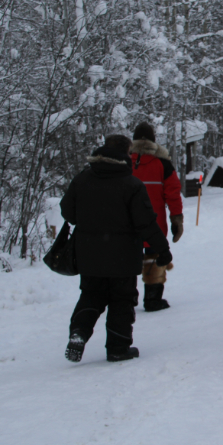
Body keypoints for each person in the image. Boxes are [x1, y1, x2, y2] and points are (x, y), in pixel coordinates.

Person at [61, 134, 172, 363]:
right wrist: (162, 249)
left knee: (90, 296)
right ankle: (118, 347)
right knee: (122, 300)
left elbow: (67, 213)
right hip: (123, 256)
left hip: (89, 253)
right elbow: (146, 223)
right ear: (126, 154)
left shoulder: (82, 179)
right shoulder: (131, 184)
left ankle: (79, 333)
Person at [129, 122, 184, 311]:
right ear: (153, 140)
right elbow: (173, 193)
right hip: (154, 223)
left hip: (127, 224)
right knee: (153, 258)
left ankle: (127, 299)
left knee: (126, 260)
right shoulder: (163, 164)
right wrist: (176, 219)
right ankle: (152, 299)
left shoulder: (124, 162)